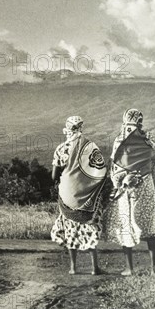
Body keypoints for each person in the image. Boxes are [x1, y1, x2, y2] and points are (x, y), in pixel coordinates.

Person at [50, 116, 109, 275]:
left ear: (67, 129)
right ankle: (94, 268)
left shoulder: (61, 149)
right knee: (90, 229)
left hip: (68, 196)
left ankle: (73, 268)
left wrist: (68, 177)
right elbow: (101, 171)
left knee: (70, 230)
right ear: (81, 128)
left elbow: (54, 176)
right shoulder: (90, 147)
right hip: (87, 196)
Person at [103, 109, 155, 275]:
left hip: (126, 189)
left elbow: (116, 165)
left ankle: (130, 268)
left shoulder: (120, 139)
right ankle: (154, 268)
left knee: (125, 223)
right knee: (149, 223)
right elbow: (147, 158)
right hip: (146, 184)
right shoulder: (148, 139)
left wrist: (120, 180)